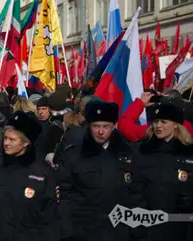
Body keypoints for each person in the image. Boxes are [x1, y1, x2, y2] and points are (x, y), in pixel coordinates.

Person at [57, 99, 145, 241]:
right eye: (96, 126)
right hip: (84, 232)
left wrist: (137, 228)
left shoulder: (127, 154)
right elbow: (66, 196)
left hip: (119, 231)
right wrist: (68, 231)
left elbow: (136, 194)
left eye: (106, 126)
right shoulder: (74, 155)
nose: (100, 131)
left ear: (114, 126)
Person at [132, 98, 193, 241]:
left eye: (164, 122)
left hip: (179, 228)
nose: (158, 126)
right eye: (156, 121)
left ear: (176, 125)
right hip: (145, 228)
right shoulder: (140, 150)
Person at [0, 111, 57, 241]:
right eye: (5, 138)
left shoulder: (42, 172)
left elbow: (50, 215)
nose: (6, 143)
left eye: (12, 139)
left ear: (26, 143)